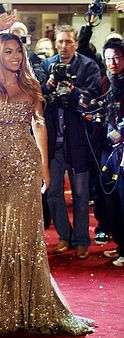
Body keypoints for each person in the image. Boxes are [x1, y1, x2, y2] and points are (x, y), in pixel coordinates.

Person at [0, 13, 95, 334]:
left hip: (25, 162)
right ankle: (1, 298)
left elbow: (39, 123)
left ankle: (30, 300)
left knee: (25, 231)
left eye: (18, 50)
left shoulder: (31, 84)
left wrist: (43, 166)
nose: (15, 56)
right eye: (7, 51)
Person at [40, 25, 101, 259]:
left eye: (68, 42)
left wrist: (74, 90)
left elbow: (93, 97)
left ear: (75, 43)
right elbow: (39, 97)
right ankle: (65, 236)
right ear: (55, 43)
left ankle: (82, 239)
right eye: (60, 42)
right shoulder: (47, 66)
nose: (64, 46)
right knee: (53, 191)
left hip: (79, 141)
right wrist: (51, 84)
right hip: (54, 140)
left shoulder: (88, 66)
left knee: (80, 193)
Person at [100, 38, 124, 267]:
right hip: (111, 149)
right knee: (114, 200)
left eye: (116, 57)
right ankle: (120, 245)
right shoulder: (109, 82)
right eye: (108, 59)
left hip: (122, 148)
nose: (112, 62)